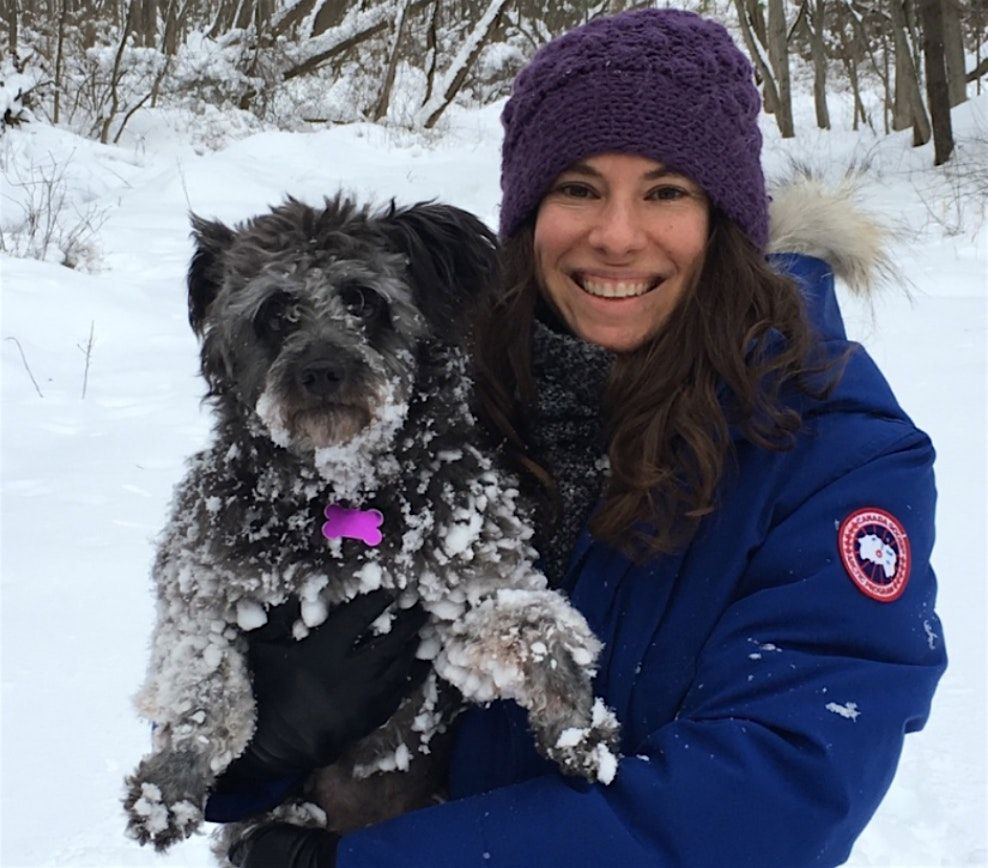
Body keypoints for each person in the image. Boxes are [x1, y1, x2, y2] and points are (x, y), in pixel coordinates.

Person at [215, 8, 947, 866]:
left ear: (724, 220)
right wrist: (262, 751)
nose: (617, 236)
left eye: (666, 192)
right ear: (529, 213)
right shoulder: (430, 397)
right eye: (579, 188)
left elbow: (773, 791)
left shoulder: (831, 451)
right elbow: (249, 631)